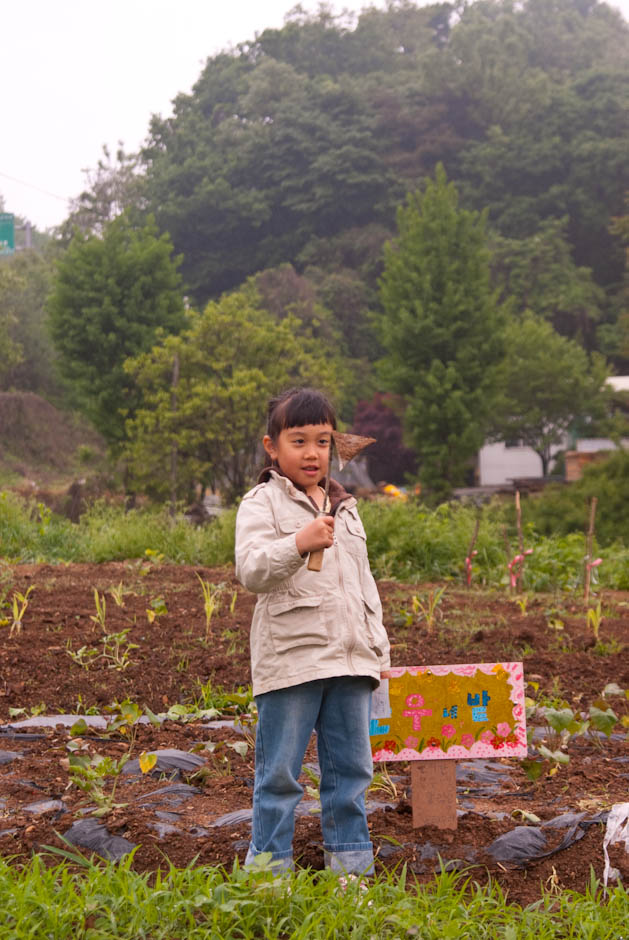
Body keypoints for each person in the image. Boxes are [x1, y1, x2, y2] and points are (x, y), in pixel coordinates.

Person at [235, 386, 390, 876]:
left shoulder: (346, 506)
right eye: (298, 441)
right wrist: (298, 543)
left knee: (351, 773)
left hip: (350, 661)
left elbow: (363, 585)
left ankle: (350, 871)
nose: (311, 453)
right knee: (280, 774)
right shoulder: (261, 503)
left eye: (322, 442)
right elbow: (252, 570)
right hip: (292, 661)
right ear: (272, 446)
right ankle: (269, 874)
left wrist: (378, 653)